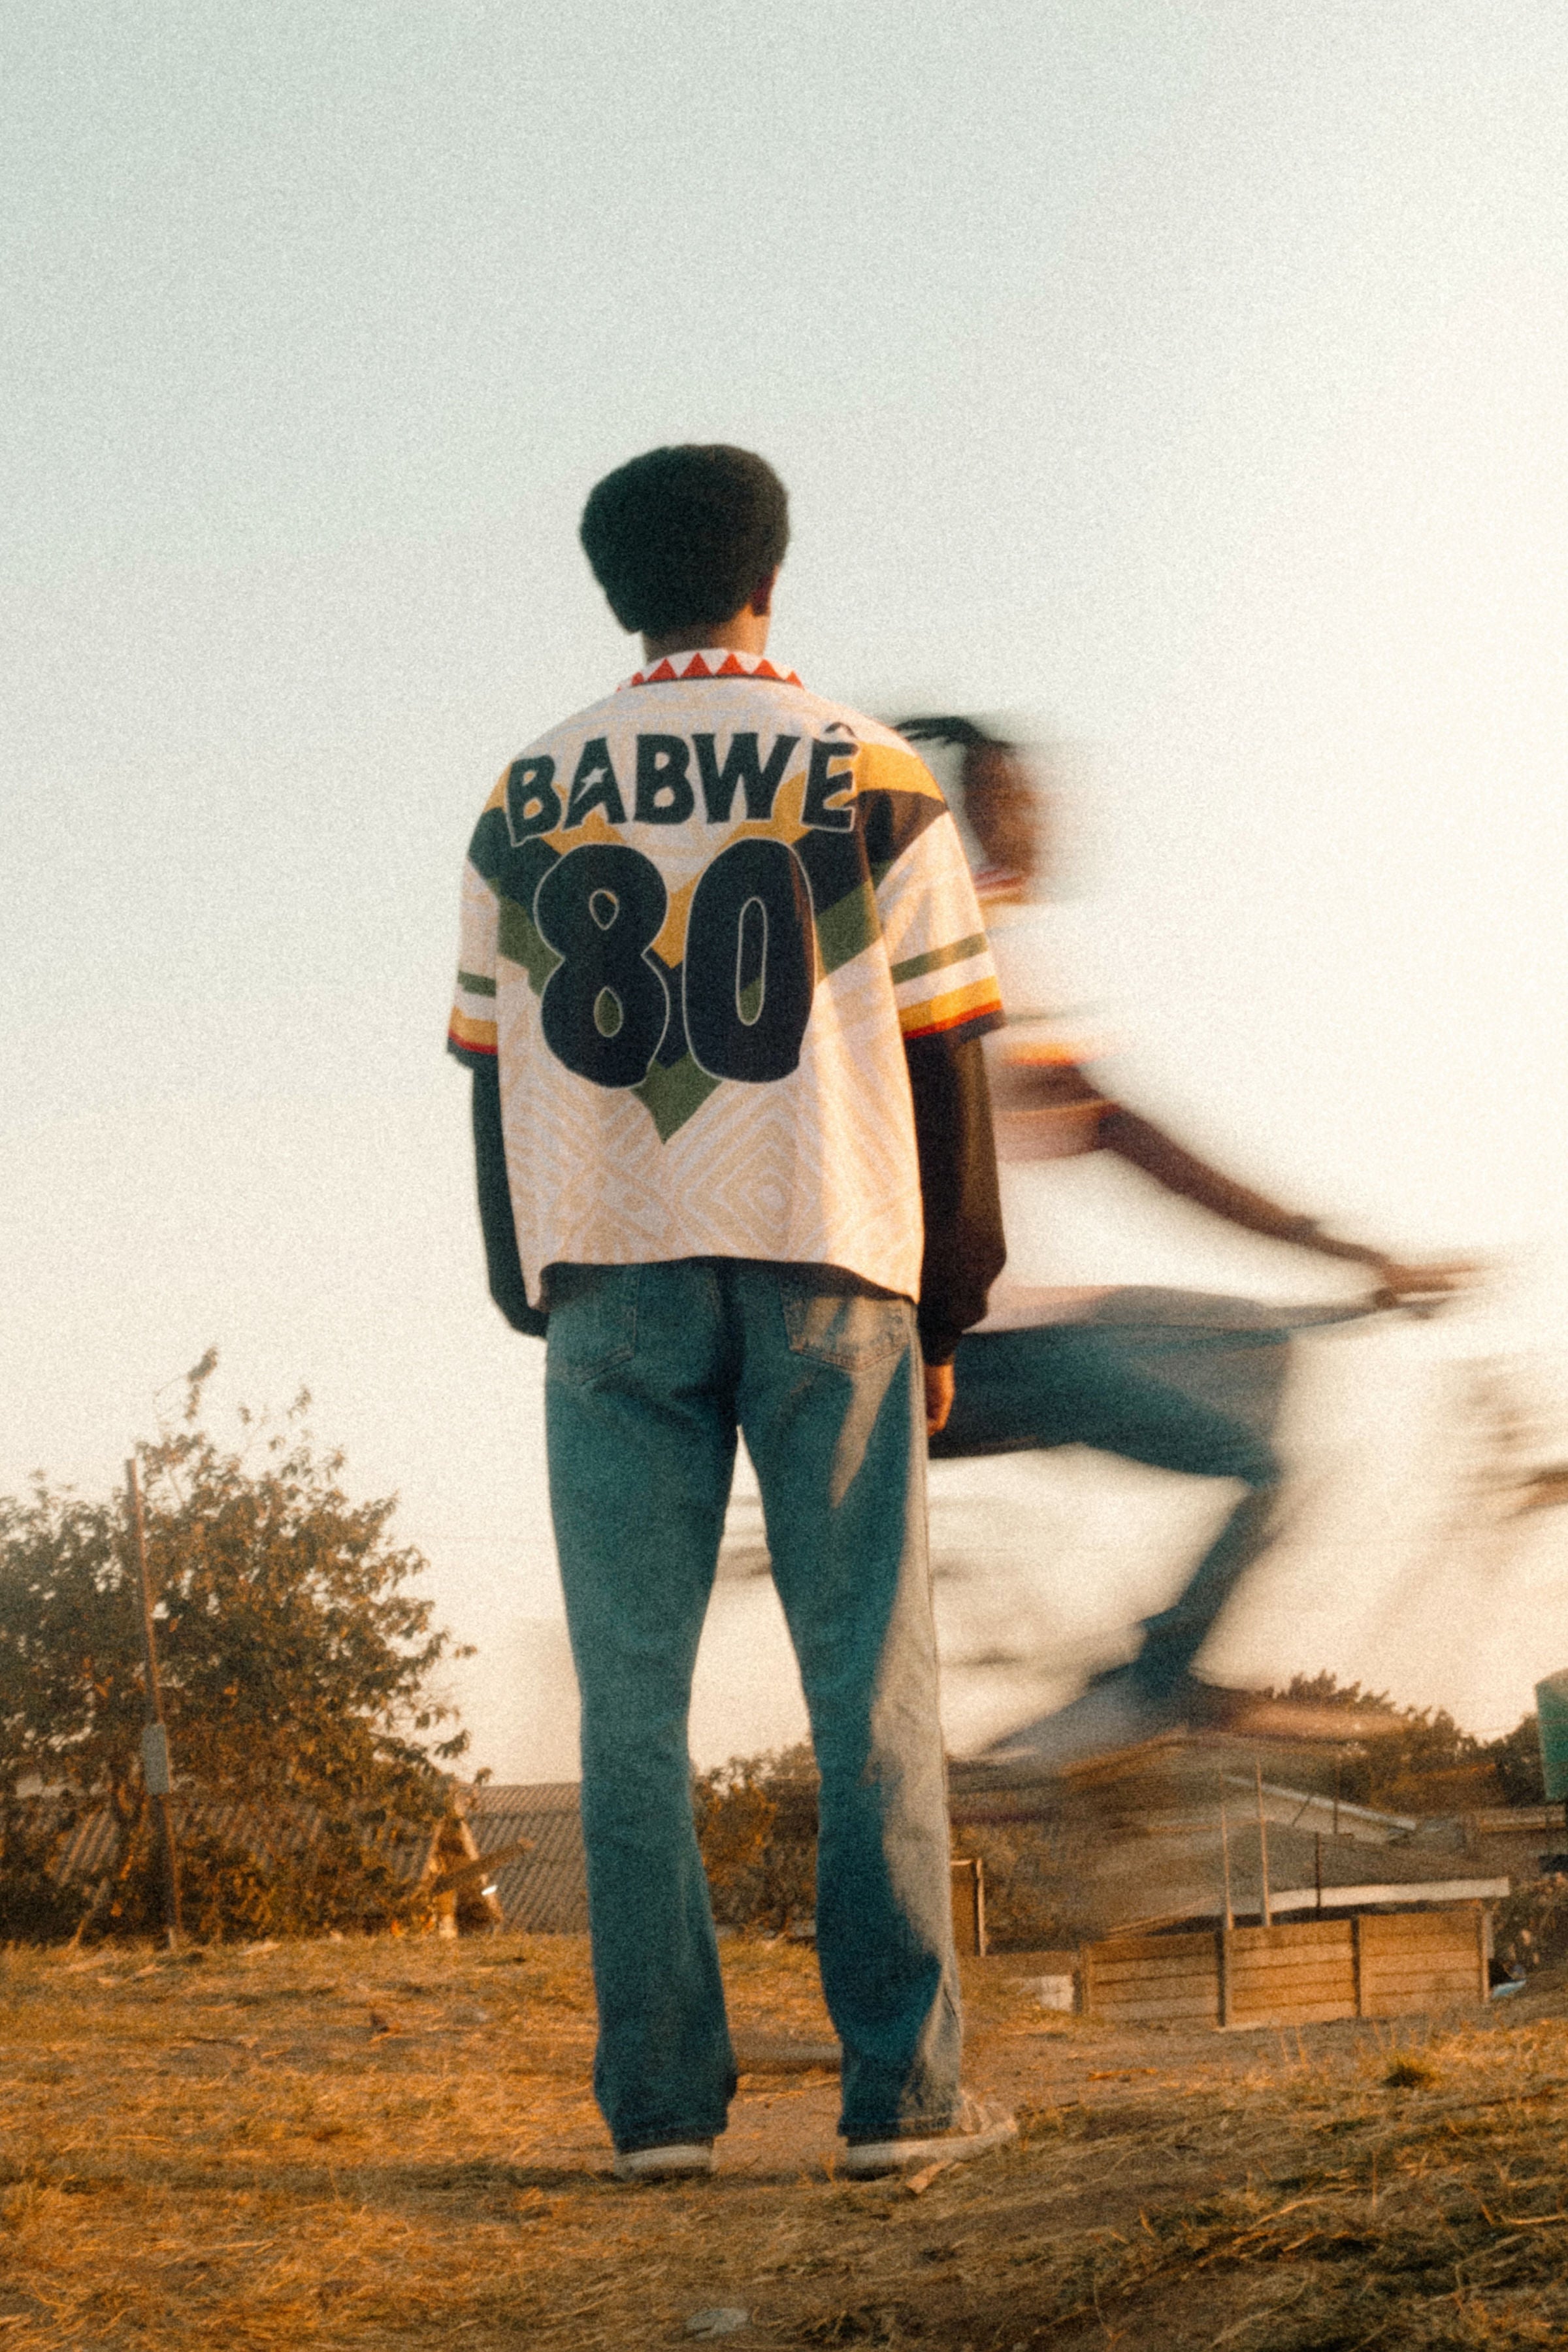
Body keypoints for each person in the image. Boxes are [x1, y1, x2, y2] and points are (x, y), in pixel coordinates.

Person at [448, 452, 1015, 2181]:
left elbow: (489, 1074)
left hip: (608, 1270)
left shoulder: (523, 797)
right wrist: (954, 1304)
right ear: (773, 566)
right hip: (832, 1254)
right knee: (871, 1698)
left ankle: (662, 2118)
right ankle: (900, 2105)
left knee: (631, 1712)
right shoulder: (877, 776)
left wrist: (523, 1280)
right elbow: (948, 1064)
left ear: (614, 586)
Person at [894, 718, 1476, 1772]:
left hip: (1004, 1328)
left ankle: (1161, 1670)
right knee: (1258, 1464)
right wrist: (1338, 1248)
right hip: (990, 1347)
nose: (1040, 822)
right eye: (1016, 801)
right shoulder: (988, 947)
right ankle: (1158, 1687)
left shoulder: (957, 941)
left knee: (1260, 1345)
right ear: (978, 811)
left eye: (1041, 800)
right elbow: (1134, 1137)